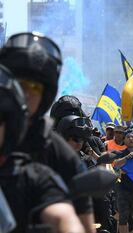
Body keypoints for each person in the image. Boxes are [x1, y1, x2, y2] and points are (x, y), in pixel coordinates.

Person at [0, 32, 95, 233]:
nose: (23, 92)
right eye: (17, 82)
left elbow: (74, 220)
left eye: (33, 86)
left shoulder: (55, 153)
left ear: (45, 95)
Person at [112, 128, 133, 233]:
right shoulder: (120, 153)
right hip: (123, 190)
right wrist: (126, 157)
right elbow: (115, 165)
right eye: (128, 137)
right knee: (122, 218)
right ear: (124, 140)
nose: (130, 139)